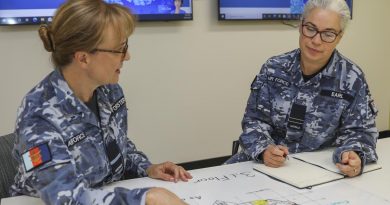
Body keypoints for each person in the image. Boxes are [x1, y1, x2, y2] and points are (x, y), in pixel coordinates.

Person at [10, 0, 192, 204]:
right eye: (120, 49)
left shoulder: (109, 91)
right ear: (83, 58)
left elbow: (117, 146)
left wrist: (147, 167)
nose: (128, 57)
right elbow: (65, 198)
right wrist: (146, 199)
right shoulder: (37, 115)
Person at [226, 0, 378, 178]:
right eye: (310, 29)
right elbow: (254, 120)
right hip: (266, 166)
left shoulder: (352, 78)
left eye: (328, 34)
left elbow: (361, 132)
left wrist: (353, 155)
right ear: (300, 27)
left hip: (320, 170)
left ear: (339, 37)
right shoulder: (274, 68)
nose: (316, 40)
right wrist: (264, 149)